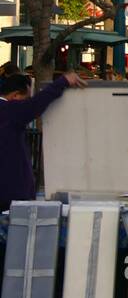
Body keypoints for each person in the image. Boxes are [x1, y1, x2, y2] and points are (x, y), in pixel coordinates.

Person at [0, 70, 87, 210]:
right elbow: (36, 104)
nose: (27, 102)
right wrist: (63, 82)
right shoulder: (9, 111)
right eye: (26, 98)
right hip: (10, 195)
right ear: (15, 95)